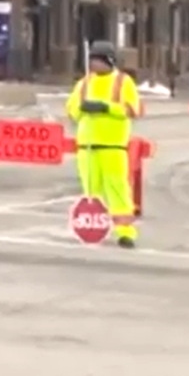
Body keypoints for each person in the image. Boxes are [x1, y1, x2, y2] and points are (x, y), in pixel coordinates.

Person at [66, 40, 142, 249]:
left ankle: (125, 232)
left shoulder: (122, 82)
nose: (94, 64)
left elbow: (131, 109)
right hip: (88, 146)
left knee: (117, 189)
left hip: (113, 146)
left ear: (109, 61)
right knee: (91, 190)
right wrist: (82, 108)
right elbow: (72, 110)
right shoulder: (84, 83)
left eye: (98, 60)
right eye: (92, 60)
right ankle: (94, 228)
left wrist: (106, 107)